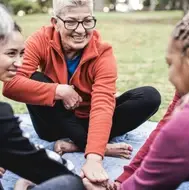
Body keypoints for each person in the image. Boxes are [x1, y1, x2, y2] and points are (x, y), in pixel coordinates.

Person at [3, 0, 161, 184]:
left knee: (149, 96)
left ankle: (79, 145)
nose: (80, 30)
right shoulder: (40, 40)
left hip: (87, 119)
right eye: (71, 22)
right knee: (35, 78)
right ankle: (97, 145)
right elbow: (11, 86)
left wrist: (94, 159)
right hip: (53, 123)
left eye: (87, 21)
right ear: (55, 22)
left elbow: (102, 104)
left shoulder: (103, 52)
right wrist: (58, 90)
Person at [82, 12, 189, 190]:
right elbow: (164, 129)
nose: (169, 75)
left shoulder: (184, 124)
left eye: (170, 63)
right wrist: (125, 176)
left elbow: (145, 184)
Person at [0, 4, 85, 190]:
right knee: (71, 183)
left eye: (21, 53)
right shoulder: (2, 117)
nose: (19, 63)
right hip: (53, 134)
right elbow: (39, 165)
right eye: (11, 53)